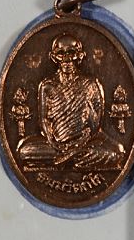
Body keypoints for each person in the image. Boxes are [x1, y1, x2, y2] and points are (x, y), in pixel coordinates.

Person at [18, 33, 126, 170]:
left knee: (117, 152)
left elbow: (96, 124)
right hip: (56, 144)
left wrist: (82, 139)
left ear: (80, 55)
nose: (67, 59)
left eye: (71, 53)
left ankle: (70, 159)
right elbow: (44, 120)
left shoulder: (90, 84)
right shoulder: (47, 85)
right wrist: (53, 141)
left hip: (85, 142)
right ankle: (75, 159)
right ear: (53, 57)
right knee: (24, 151)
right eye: (61, 54)